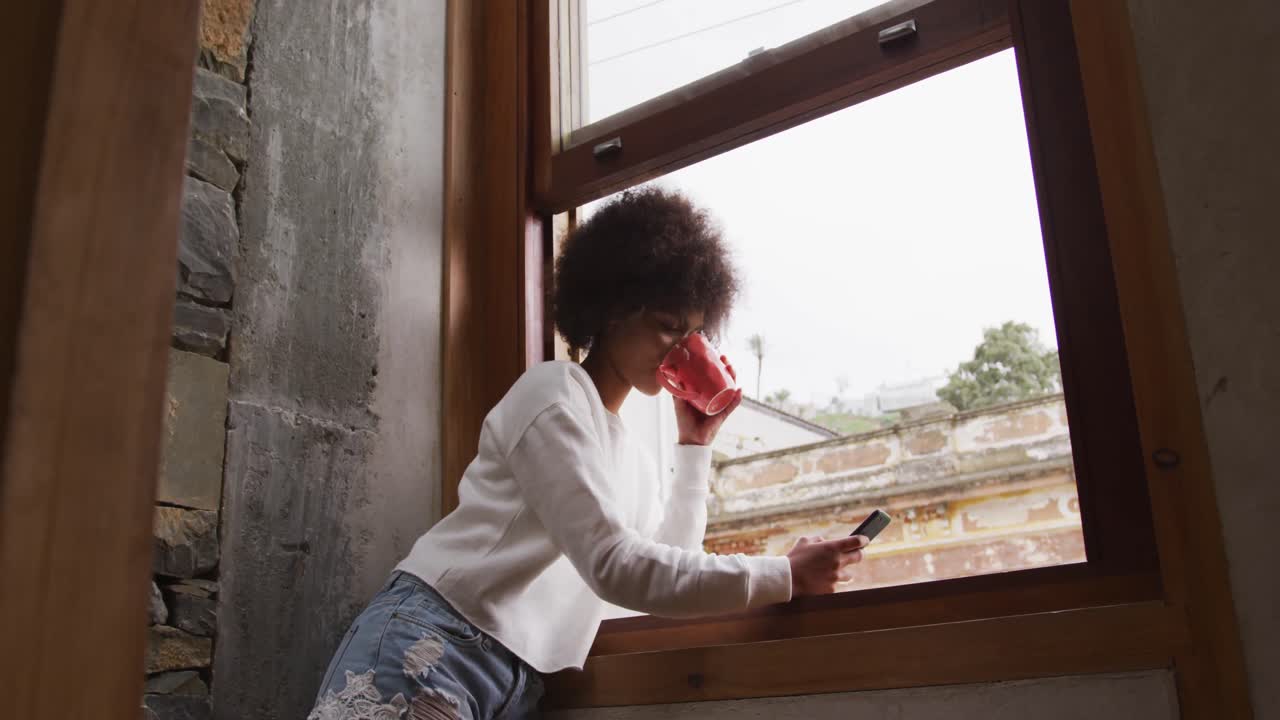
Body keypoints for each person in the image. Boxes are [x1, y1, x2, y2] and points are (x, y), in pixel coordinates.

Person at [307, 187, 868, 720]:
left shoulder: (633, 459)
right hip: (436, 638)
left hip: (513, 679)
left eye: (694, 336)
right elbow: (614, 566)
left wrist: (695, 449)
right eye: (667, 326)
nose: (680, 350)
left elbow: (661, 573)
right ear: (612, 309)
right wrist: (782, 574)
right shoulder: (553, 393)